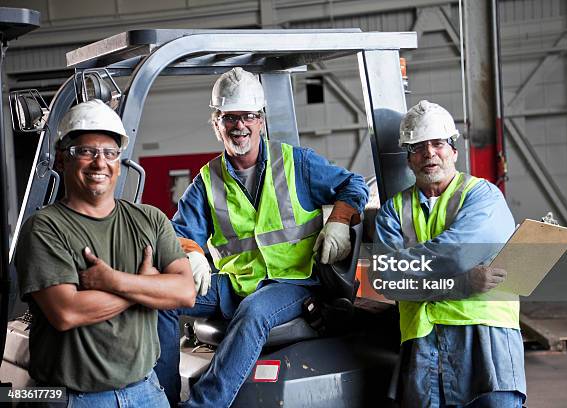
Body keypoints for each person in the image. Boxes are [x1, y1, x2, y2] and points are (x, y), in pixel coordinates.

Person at [155, 67, 369, 407]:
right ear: (217, 124)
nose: (240, 125)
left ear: (261, 121)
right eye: (229, 118)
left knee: (254, 312)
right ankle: (160, 399)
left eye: (248, 116)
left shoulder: (296, 163)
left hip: (293, 282)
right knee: (160, 297)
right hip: (235, 283)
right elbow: (179, 234)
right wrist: (192, 254)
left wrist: (340, 220)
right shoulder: (207, 180)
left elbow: (352, 184)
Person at [15, 99, 197, 407]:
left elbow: (185, 292)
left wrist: (112, 280)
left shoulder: (150, 219)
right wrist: (146, 284)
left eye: (110, 153)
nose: (100, 163)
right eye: (86, 152)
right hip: (77, 400)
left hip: (146, 392)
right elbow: (67, 312)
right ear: (62, 160)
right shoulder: (44, 228)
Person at [374, 100, 526, 407]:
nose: (429, 153)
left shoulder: (483, 196)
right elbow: (387, 278)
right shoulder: (393, 210)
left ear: (453, 151)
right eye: (418, 146)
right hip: (422, 341)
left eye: (438, 144)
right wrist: (461, 284)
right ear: (408, 158)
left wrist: (409, 268)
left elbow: (458, 254)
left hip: (484, 334)